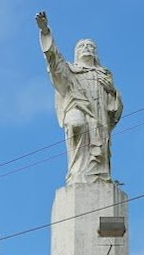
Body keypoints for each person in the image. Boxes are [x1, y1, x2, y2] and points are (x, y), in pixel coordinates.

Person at [36, 11, 123, 185]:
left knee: (99, 149)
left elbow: (115, 108)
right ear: (76, 53)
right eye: (82, 46)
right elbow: (54, 61)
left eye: (90, 46)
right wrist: (45, 32)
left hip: (99, 118)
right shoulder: (70, 70)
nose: (87, 48)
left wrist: (112, 92)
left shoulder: (104, 75)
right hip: (78, 108)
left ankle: (98, 176)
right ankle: (77, 173)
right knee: (76, 125)